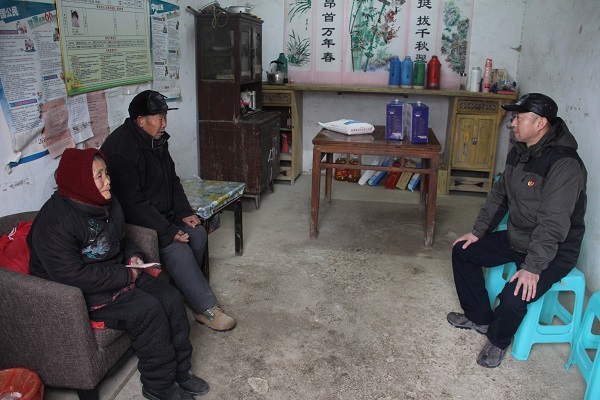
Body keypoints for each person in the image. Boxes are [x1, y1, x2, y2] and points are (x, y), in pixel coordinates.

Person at [27, 148, 209, 400]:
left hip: (116, 270)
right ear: (80, 182)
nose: (108, 181)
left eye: (106, 173)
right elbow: (71, 276)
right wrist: (127, 276)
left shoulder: (108, 203)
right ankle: (158, 386)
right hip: (79, 291)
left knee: (172, 298)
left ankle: (181, 371)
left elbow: (120, 240)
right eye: (99, 176)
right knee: (147, 310)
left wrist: (133, 256)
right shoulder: (55, 222)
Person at [446, 93, 587, 368]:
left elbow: (553, 222)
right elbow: (500, 196)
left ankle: (498, 340)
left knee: (514, 296)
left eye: (519, 118)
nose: (512, 123)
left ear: (540, 123)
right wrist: (477, 232)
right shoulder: (520, 151)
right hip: (518, 237)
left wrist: (533, 268)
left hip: (554, 251)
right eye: (514, 118)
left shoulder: (565, 164)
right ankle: (480, 318)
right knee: (463, 251)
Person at [100, 90, 235, 331]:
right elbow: (132, 204)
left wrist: (184, 212)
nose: (164, 124)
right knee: (177, 249)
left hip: (162, 214)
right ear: (141, 120)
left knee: (198, 233)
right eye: (159, 118)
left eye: (165, 117)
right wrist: (168, 231)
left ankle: (181, 292)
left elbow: (172, 180)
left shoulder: (156, 140)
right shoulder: (121, 149)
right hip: (138, 223)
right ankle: (205, 308)